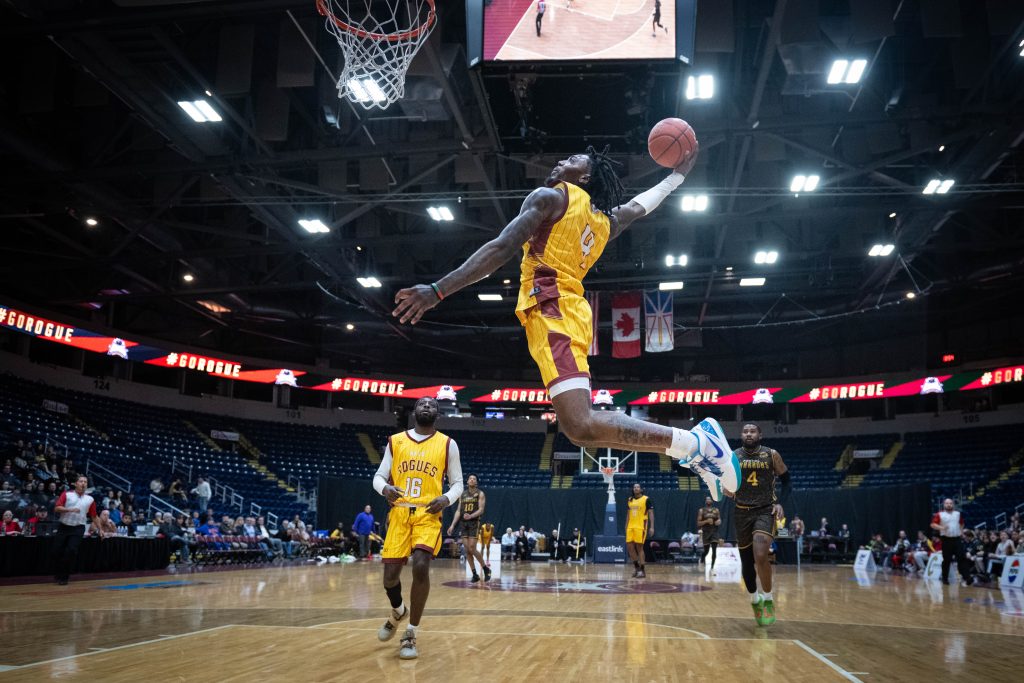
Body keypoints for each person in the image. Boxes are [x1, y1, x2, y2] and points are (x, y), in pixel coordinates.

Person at [391, 144, 740, 501]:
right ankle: (692, 449)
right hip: (568, 312)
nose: (560, 160)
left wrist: (438, 289)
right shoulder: (604, 221)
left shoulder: (550, 197)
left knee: (581, 423)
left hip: (551, 308)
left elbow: (501, 248)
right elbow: (639, 207)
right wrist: (676, 177)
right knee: (578, 430)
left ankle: (696, 442)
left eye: (571, 160)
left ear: (585, 177)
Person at [372, 397, 464, 660]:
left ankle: (410, 631)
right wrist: (385, 488)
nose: (426, 406)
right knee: (390, 577)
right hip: (400, 512)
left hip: (428, 512)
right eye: (422, 403)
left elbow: (457, 482)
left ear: (437, 413)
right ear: (414, 411)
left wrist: (446, 498)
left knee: (421, 565)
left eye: (432, 405)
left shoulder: (448, 444)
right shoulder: (395, 441)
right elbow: (379, 476)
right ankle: (399, 610)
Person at [723, 423, 790, 627]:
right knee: (746, 562)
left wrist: (780, 503)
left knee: (760, 553)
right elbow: (726, 485)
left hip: (764, 510)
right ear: (741, 435)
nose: (749, 434)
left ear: (760, 435)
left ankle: (768, 599)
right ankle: (755, 600)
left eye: (753, 431)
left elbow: (787, 481)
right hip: (741, 511)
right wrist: (726, 489)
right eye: (745, 431)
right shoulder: (733, 456)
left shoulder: (771, 454)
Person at [52, 474, 97, 585]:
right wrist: (69, 510)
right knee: (57, 551)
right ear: (75, 483)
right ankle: (58, 572)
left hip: (78, 528)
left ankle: (64, 577)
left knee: (71, 551)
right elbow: (57, 508)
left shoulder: (90, 499)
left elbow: (94, 516)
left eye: (85, 482)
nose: (83, 483)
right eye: (81, 481)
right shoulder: (66, 494)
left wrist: (100, 529)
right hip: (64, 527)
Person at [447, 474, 490, 582]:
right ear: (467, 482)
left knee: (472, 548)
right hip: (463, 523)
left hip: (474, 523)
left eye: (474, 479)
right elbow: (458, 511)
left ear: (476, 482)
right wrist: (452, 525)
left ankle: (485, 568)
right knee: (467, 550)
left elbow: (481, 510)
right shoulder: (463, 494)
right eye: (470, 478)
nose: (471, 480)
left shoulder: (480, 494)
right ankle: (475, 574)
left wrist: (471, 516)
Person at [930, 498, 971, 586]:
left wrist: (960, 532)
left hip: (957, 539)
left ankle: (967, 577)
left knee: (962, 557)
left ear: (953, 505)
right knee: (947, 560)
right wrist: (942, 528)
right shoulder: (940, 514)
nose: (949, 505)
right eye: (947, 503)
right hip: (946, 540)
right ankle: (945, 578)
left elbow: (962, 523)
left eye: (950, 503)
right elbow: (933, 524)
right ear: (944, 505)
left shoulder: (957, 514)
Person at [625, 483, 654, 578]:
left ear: (641, 489)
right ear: (633, 489)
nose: (636, 488)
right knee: (630, 547)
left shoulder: (646, 499)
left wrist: (652, 527)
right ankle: (637, 568)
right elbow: (628, 514)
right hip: (630, 526)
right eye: (634, 487)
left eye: (638, 487)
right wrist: (626, 526)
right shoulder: (630, 500)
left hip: (640, 526)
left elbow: (651, 513)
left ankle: (642, 570)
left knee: (639, 548)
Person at [697, 495, 721, 575]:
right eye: (707, 499)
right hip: (706, 532)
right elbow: (698, 523)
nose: (708, 500)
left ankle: (712, 568)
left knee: (714, 550)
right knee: (706, 551)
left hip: (714, 531)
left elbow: (719, 520)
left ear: (712, 501)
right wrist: (706, 521)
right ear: (705, 501)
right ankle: (702, 558)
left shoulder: (716, 510)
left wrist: (718, 522)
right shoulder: (701, 510)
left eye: (710, 499)